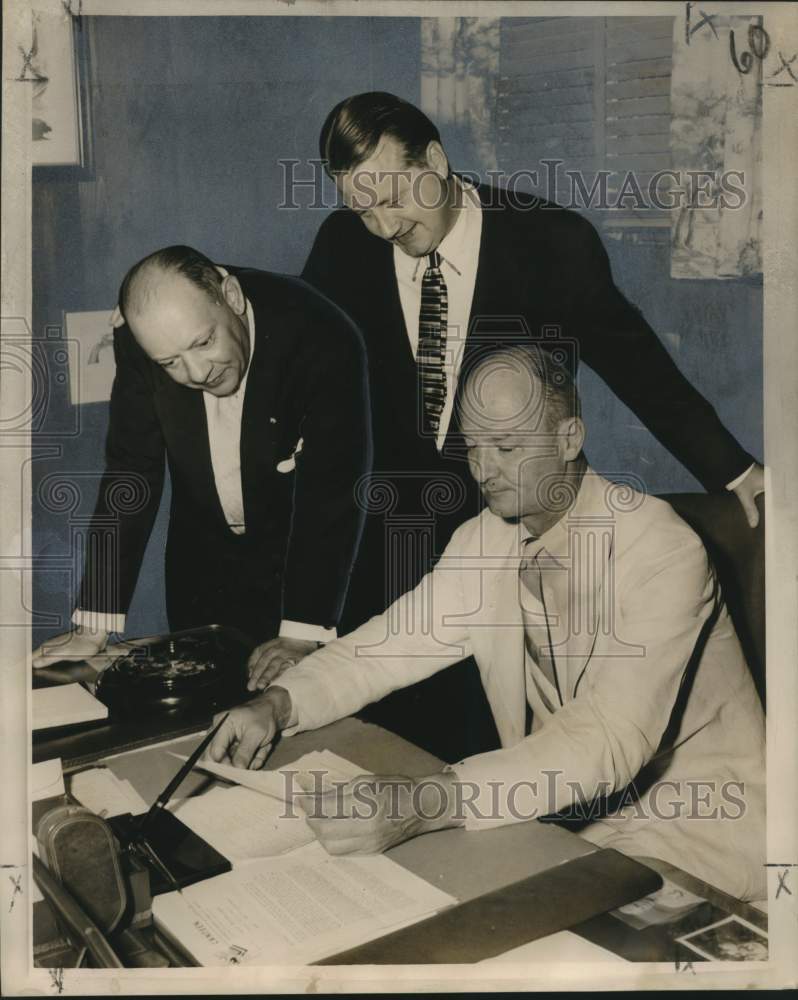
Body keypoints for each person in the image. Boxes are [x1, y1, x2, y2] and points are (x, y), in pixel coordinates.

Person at [292, 91, 764, 761]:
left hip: (505, 527)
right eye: (361, 207)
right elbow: (306, 348)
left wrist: (734, 468)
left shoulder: (549, 241)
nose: (384, 224)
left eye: (394, 197)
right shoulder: (343, 246)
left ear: (435, 158)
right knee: (387, 737)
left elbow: (636, 363)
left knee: (500, 748)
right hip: (389, 535)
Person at [209, 344, 766, 902]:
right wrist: (278, 703)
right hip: (573, 816)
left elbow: (608, 737)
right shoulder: (484, 540)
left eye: (506, 445)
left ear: (569, 438)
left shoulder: (661, 548)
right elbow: (384, 648)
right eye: (474, 446)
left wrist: (429, 801)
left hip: (701, 823)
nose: (484, 469)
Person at [32, 245, 371, 676]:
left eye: (204, 342)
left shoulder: (319, 333)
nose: (196, 373)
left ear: (231, 296)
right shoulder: (144, 337)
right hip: (204, 572)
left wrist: (302, 631)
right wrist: (93, 623)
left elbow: (331, 488)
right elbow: (131, 470)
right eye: (171, 362)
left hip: (306, 569)